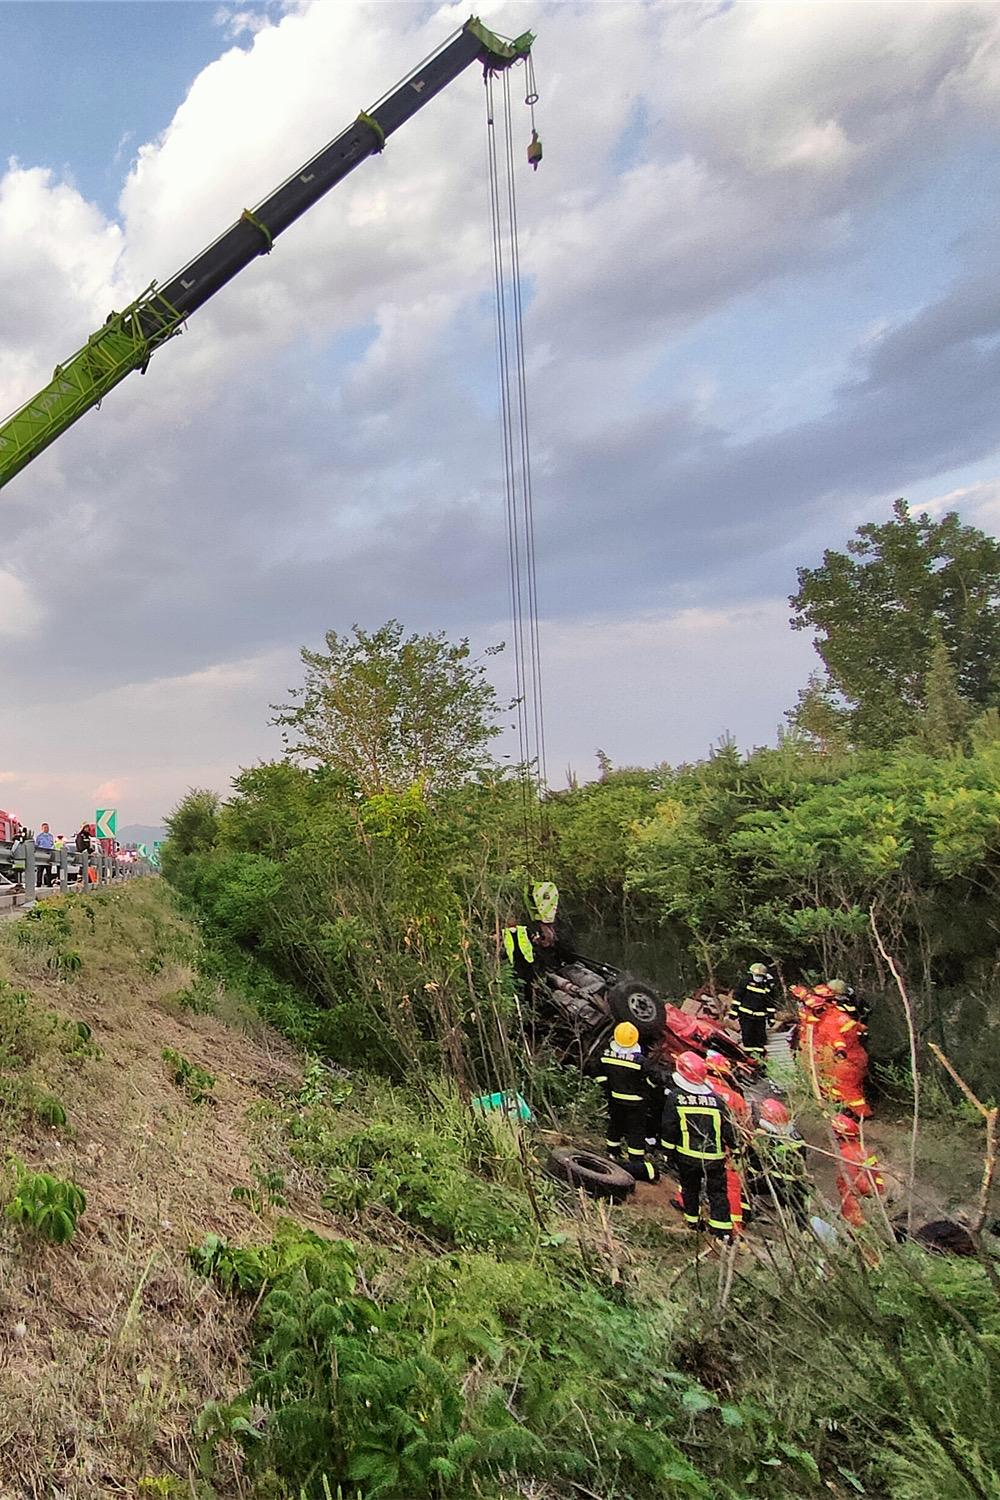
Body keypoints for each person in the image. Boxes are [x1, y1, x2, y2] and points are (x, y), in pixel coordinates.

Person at [661, 1050, 736, 1239]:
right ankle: (722, 1232)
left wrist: (667, 1152)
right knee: (718, 1193)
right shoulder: (717, 1100)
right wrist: (735, 1148)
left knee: (690, 1189)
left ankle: (693, 1222)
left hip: (687, 1156)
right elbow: (728, 1128)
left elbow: (669, 1127)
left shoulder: (676, 1097)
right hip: (715, 1157)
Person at [593, 1022, 661, 1182]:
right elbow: (655, 1077)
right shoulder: (640, 1061)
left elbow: (597, 1071)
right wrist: (649, 1088)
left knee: (615, 1125)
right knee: (636, 1131)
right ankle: (636, 1161)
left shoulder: (606, 1055)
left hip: (615, 1098)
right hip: (636, 1102)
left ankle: (612, 1151)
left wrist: (606, 1086)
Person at [750, 1099, 810, 1228]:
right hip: (797, 1183)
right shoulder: (797, 1136)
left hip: (774, 1183)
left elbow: (755, 1164)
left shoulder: (767, 1140)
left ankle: (749, 1215)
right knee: (800, 1212)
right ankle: (804, 1232)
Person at [833, 1114, 885, 1229]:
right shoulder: (863, 1149)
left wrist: (865, 1193)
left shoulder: (846, 1155)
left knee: (856, 1229)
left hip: (855, 1199)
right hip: (874, 1195)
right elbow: (876, 1173)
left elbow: (857, 1182)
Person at [732, 962, 777, 1064]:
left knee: (760, 1038)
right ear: (751, 974)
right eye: (757, 975)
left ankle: (760, 1060)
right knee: (747, 1036)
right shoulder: (745, 982)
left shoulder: (766, 986)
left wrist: (771, 1017)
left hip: (760, 1017)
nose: (758, 978)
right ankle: (748, 1058)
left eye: (761, 976)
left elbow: (770, 1003)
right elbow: (737, 997)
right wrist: (734, 1011)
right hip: (746, 1015)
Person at [34, 822, 54, 887]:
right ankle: (39, 883)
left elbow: (52, 845)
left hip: (48, 855)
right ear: (42, 828)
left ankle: (49, 883)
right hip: (41, 855)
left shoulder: (51, 836)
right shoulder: (39, 837)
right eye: (45, 828)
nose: (46, 829)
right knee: (40, 870)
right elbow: (36, 846)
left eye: (47, 828)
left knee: (48, 870)